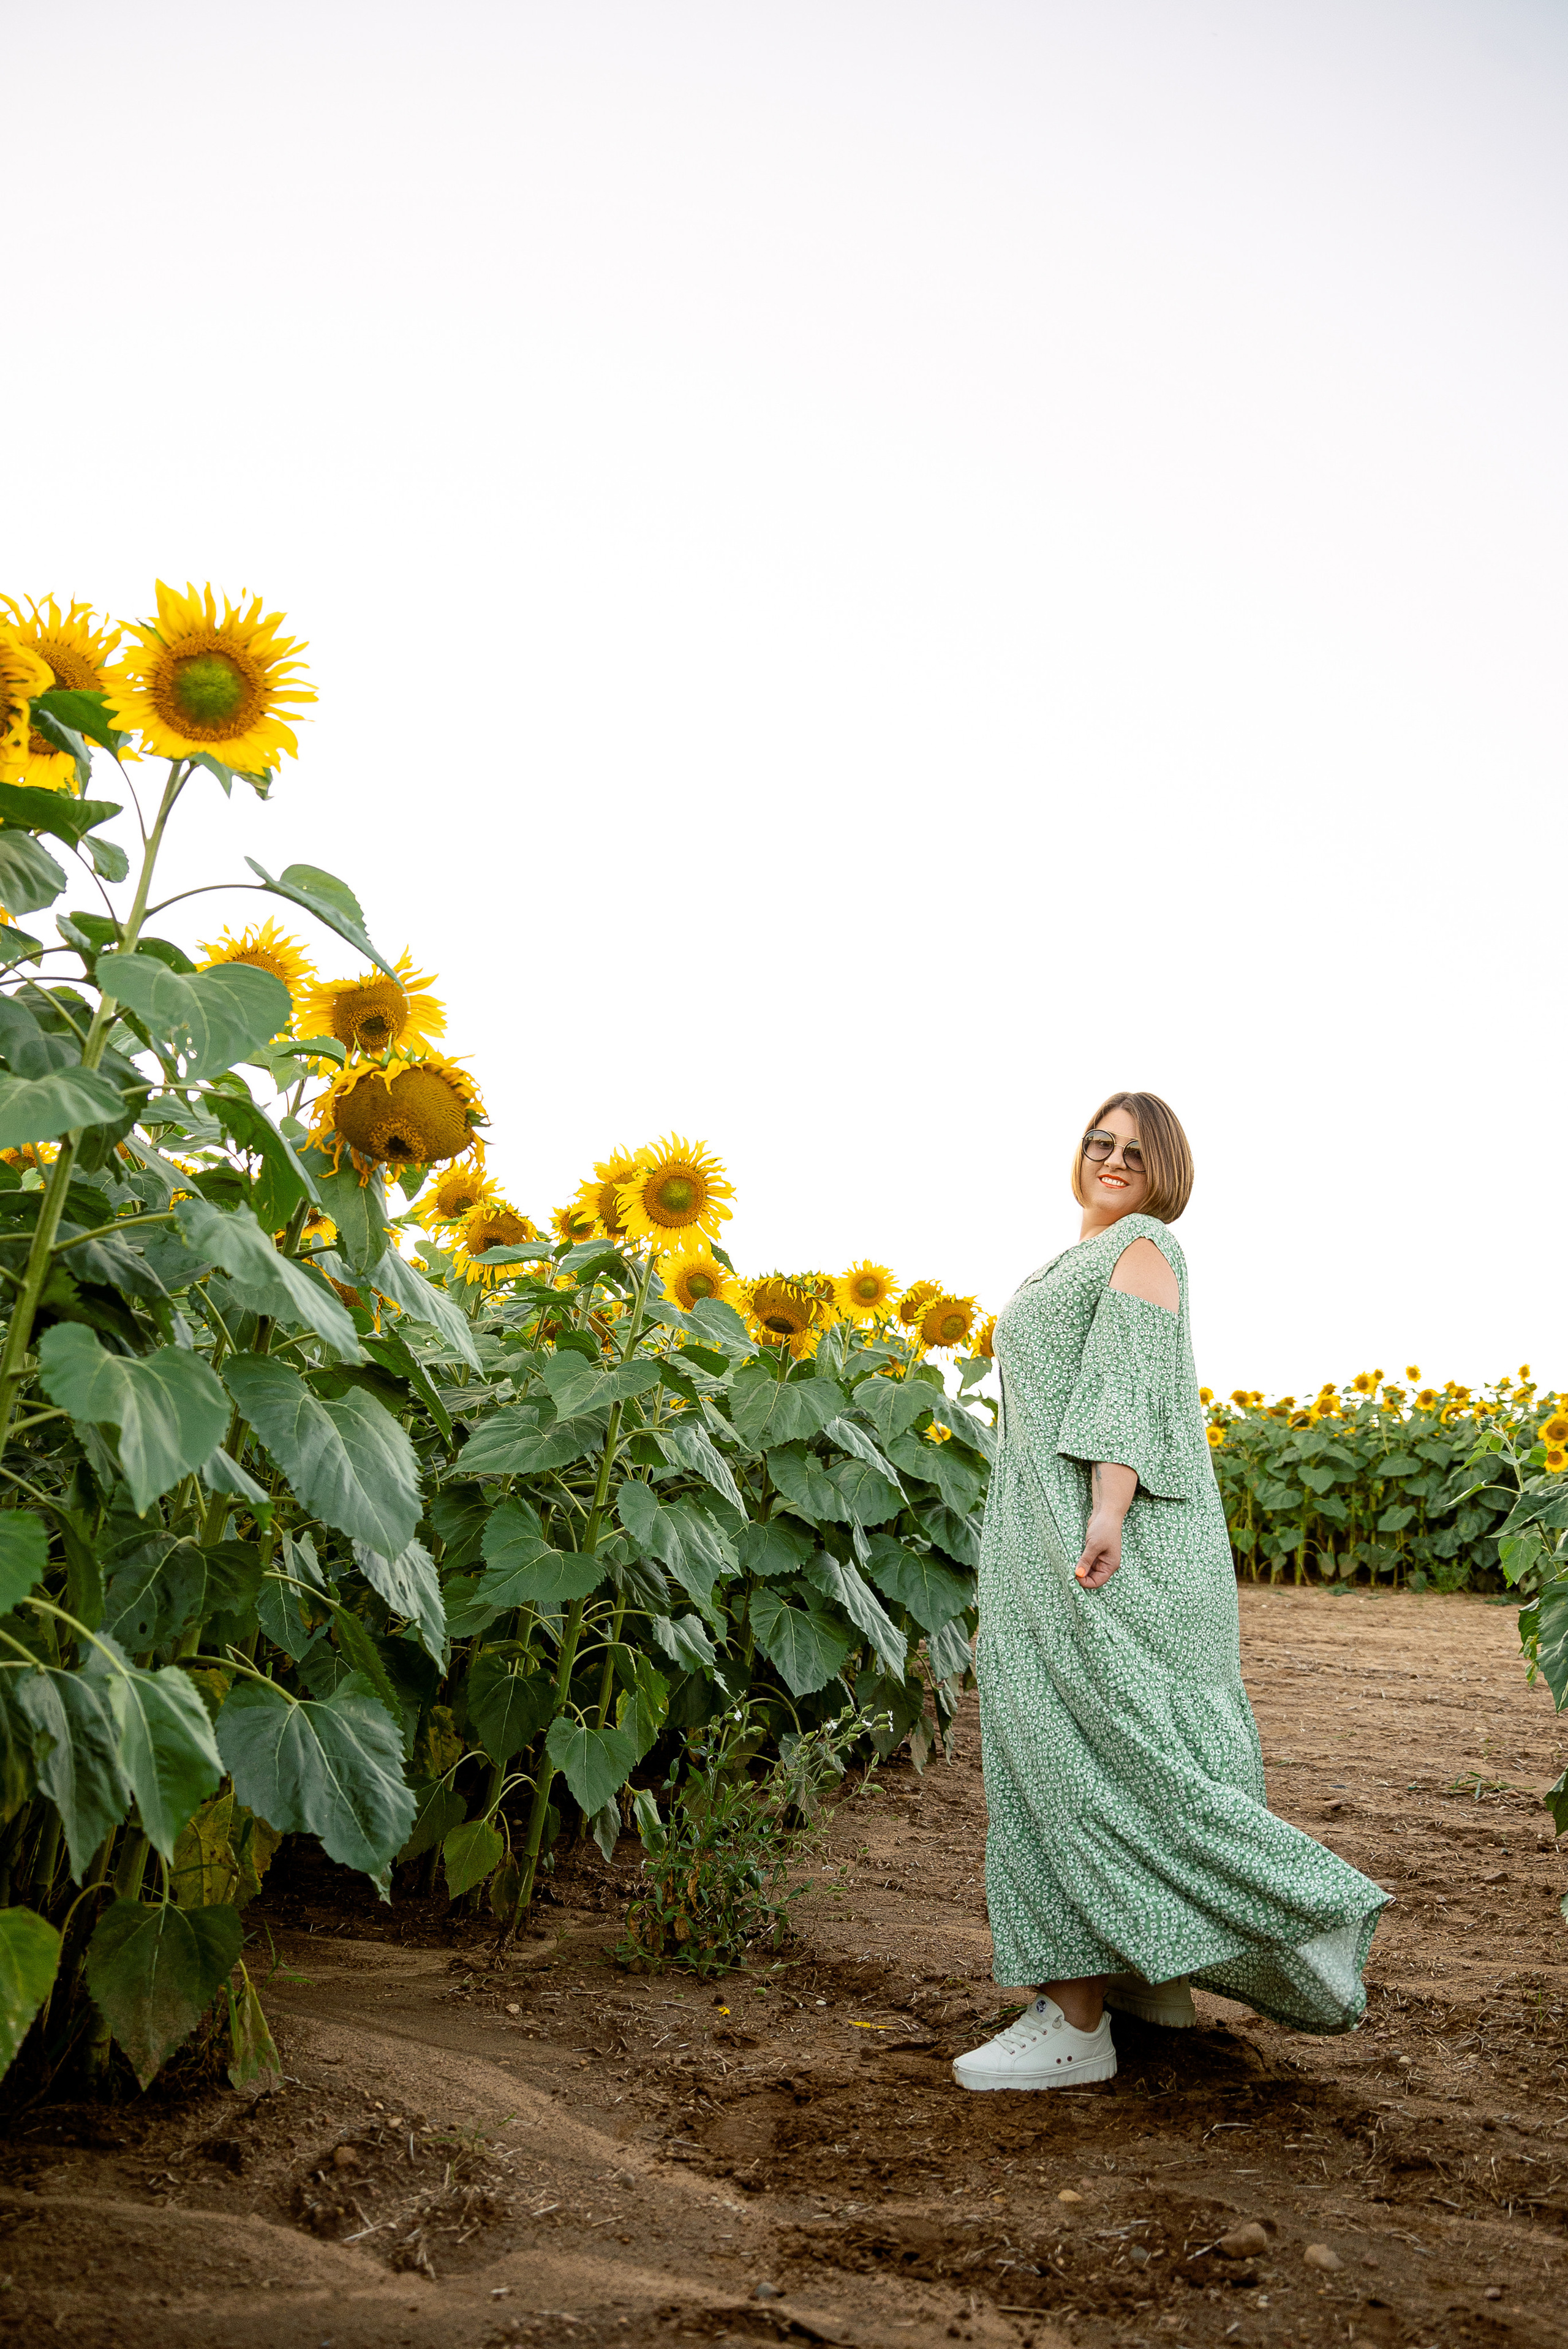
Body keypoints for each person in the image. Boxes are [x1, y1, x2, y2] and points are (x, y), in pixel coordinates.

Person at [952, 1091, 1387, 2092]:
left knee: (1071, 1759)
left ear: (1165, 1172)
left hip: (1100, 1541)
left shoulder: (1143, 1244)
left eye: (1136, 1152)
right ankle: (1149, 1979)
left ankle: (1072, 2022)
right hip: (1049, 1531)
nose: (1112, 1159)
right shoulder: (1078, 1256)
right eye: (1099, 1141)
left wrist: (1106, 1513)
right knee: (1107, 1751)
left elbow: (1125, 1390)